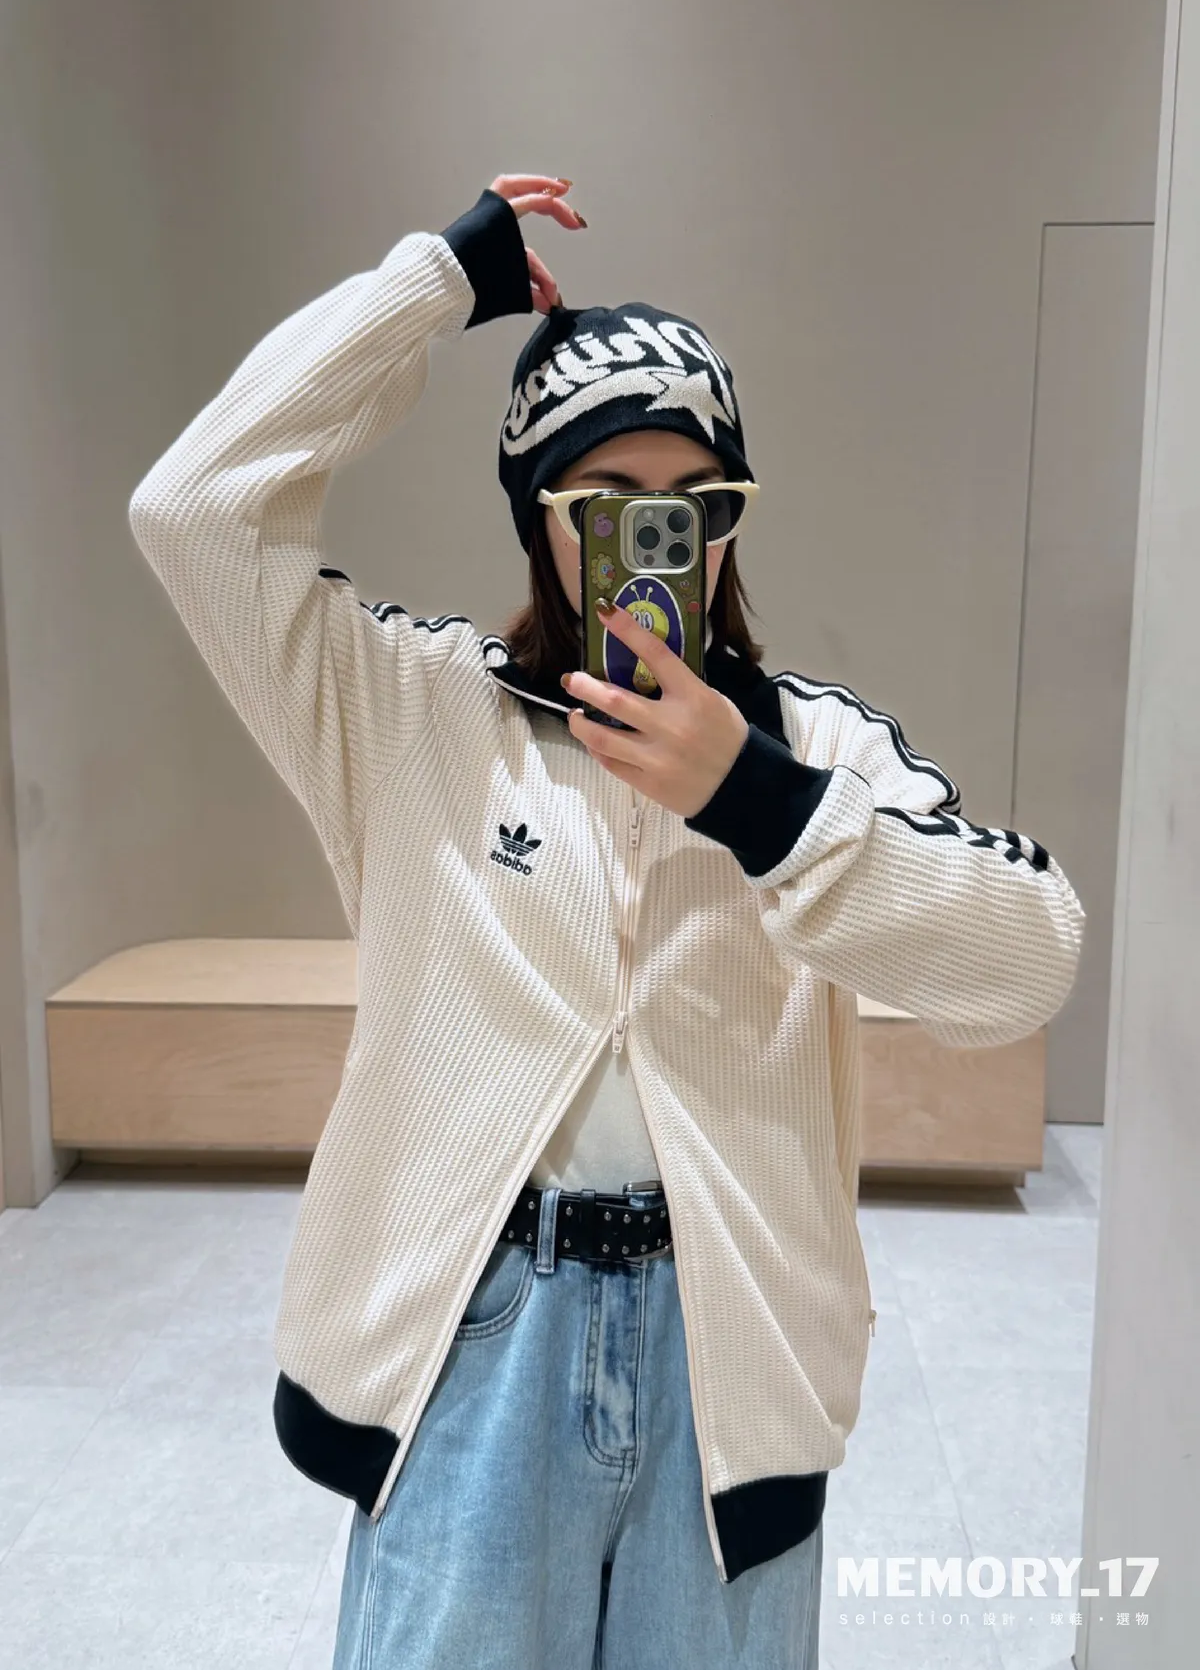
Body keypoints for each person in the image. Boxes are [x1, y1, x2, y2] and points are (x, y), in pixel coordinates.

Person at [128, 172, 1086, 1668]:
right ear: (542, 523)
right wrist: (427, 290)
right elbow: (192, 514)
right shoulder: (415, 715)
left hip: (732, 1359)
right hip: (476, 1335)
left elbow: (1032, 955)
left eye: (698, 506)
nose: (661, 541)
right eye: (610, 507)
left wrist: (755, 805)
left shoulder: (815, 757)